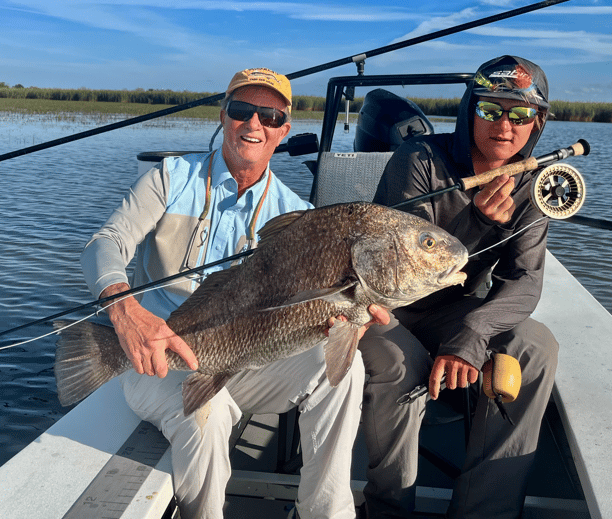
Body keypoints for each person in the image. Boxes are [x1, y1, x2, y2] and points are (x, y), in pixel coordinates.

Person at [81, 67, 388, 519]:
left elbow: (313, 307)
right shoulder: (171, 178)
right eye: (242, 110)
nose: (254, 124)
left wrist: (348, 321)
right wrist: (124, 310)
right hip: (159, 357)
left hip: (247, 356)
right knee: (210, 414)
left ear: (283, 131)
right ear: (223, 116)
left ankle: (327, 513)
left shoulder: (297, 215)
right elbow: (105, 243)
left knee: (345, 367)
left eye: (269, 115)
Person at [358, 55, 559, 519]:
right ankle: (388, 509)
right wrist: (475, 221)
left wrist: (473, 330)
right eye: (489, 110)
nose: (504, 126)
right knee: (401, 365)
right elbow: (401, 269)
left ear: (538, 122)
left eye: (520, 114)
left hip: (457, 310)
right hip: (388, 306)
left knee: (534, 347)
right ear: (470, 110)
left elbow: (525, 280)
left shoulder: (535, 184)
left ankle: (483, 511)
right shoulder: (420, 160)